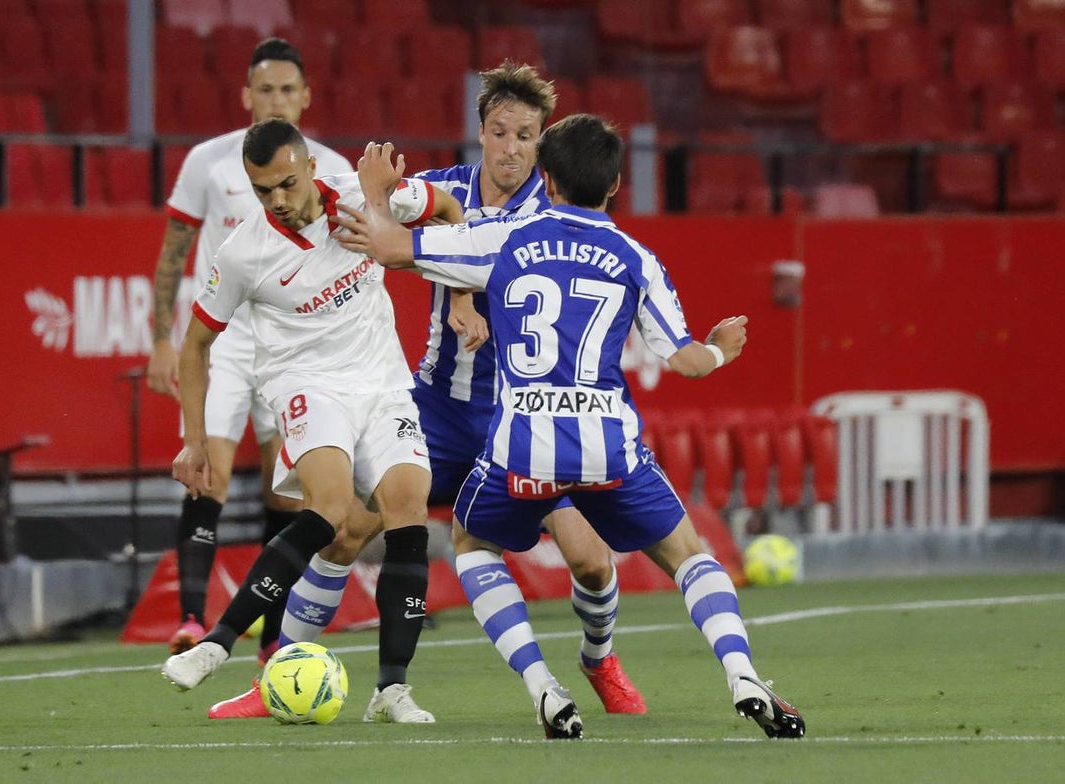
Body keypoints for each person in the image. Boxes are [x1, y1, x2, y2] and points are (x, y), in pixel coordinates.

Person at [331, 119, 807, 740]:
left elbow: (391, 246)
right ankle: (742, 672)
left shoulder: (504, 237)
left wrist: (375, 193)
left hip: (523, 442)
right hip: (608, 445)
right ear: (613, 185)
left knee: (474, 545)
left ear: (546, 178)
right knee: (690, 555)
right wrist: (720, 350)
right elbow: (687, 362)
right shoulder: (636, 258)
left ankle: (541, 685)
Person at [205, 61, 645, 721]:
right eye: (500, 132)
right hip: (435, 409)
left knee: (587, 559)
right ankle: (274, 683)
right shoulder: (444, 186)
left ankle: (599, 658)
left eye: (526, 136)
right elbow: (389, 228)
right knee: (346, 531)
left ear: (543, 142)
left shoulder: (559, 214)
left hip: (520, 418)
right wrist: (385, 210)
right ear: (481, 133)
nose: (511, 149)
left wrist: (482, 307)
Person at [160, 118, 466, 725]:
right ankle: (217, 644)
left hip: (382, 381)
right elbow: (195, 346)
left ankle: (391, 691)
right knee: (328, 509)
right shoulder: (244, 253)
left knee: (407, 506)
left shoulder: (360, 195)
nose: (278, 200)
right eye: (263, 190)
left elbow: (451, 208)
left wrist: (459, 294)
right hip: (308, 384)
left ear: (307, 167)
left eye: (287, 184)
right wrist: (195, 440)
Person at [147, 38, 352, 662]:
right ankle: (189, 618)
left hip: (291, 346)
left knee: (284, 493)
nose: (276, 100)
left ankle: (270, 634)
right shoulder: (209, 164)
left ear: (306, 96)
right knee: (205, 468)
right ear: (246, 95)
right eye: (265, 90)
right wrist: (160, 337)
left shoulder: (331, 168)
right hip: (228, 343)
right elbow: (174, 252)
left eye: (287, 90)